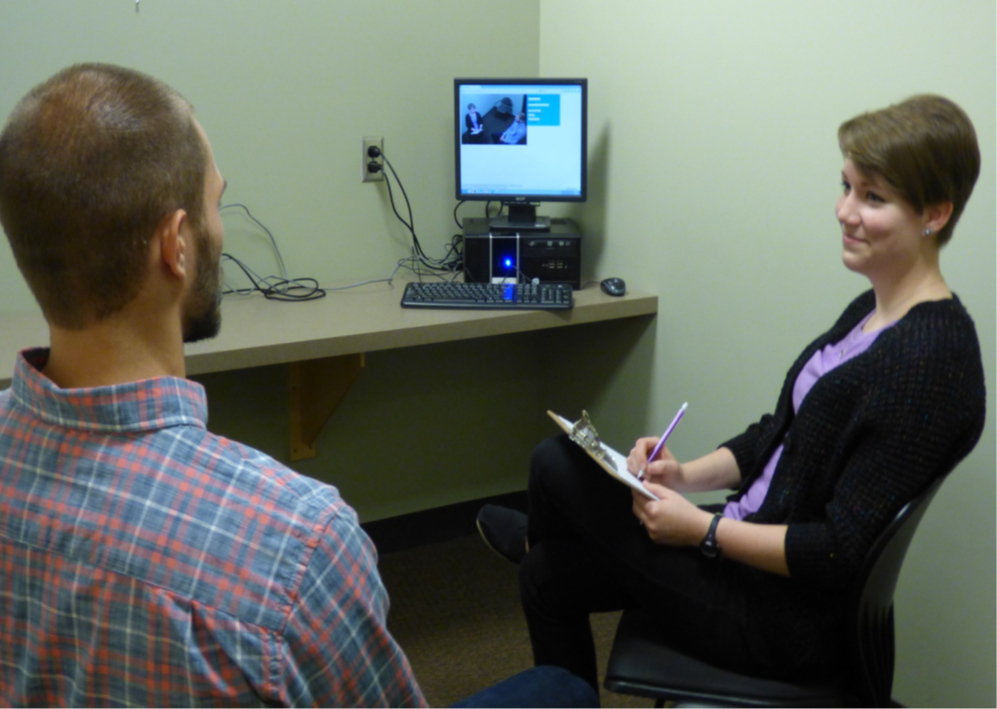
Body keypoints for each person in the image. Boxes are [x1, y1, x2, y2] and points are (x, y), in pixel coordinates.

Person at [0, 63, 600, 708]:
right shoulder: (298, 544)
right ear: (177, 245)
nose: (220, 226)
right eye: (216, 203)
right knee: (560, 691)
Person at [476, 94, 986, 692]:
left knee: (552, 464)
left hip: (781, 617)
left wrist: (702, 531)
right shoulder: (875, 309)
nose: (845, 211)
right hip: (744, 542)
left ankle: (544, 528)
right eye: (846, 187)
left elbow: (841, 551)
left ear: (935, 213)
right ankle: (545, 553)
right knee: (545, 575)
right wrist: (682, 475)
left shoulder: (929, 359)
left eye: (872, 198)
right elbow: (779, 430)